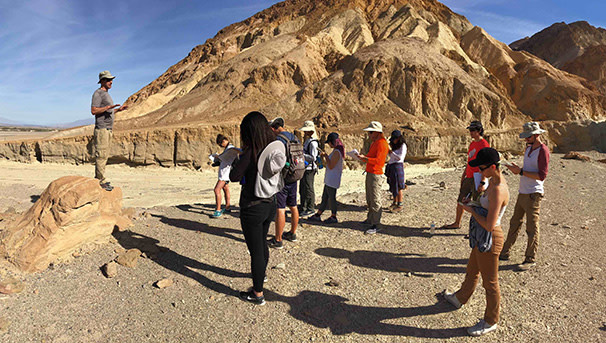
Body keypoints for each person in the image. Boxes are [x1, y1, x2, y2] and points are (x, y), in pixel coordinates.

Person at [444, 147, 509, 337]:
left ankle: (491, 321)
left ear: (493, 166)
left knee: (490, 283)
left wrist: (470, 210)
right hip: (482, 236)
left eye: (482, 168)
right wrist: (475, 201)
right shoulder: (492, 182)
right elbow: (485, 207)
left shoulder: (498, 189)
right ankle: (459, 298)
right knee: (472, 269)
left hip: (490, 237)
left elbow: (490, 224)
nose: (480, 171)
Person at [229, 111, 286, 305]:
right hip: (270, 203)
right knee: (262, 243)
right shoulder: (272, 148)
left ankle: (258, 293)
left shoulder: (251, 151)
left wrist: (236, 158)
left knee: (256, 250)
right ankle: (261, 277)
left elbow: (234, 176)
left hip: (252, 207)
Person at [499, 122, 550, 270]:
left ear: (536, 135)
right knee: (515, 222)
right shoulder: (528, 148)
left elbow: (542, 175)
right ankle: (504, 252)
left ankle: (530, 259)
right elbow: (528, 169)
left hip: (534, 194)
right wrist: (516, 168)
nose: (526, 139)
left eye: (528, 136)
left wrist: (520, 171)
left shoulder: (543, 150)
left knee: (532, 227)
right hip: (523, 192)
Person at [443, 121, 489, 229]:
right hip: (469, 176)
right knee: (461, 200)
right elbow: (469, 160)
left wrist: (482, 181)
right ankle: (457, 223)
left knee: (476, 203)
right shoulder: (472, 144)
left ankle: (477, 227)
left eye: (473, 130)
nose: (471, 133)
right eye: (470, 130)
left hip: (477, 177)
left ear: (479, 131)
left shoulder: (484, 145)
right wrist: (464, 174)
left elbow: (486, 164)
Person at [90, 70, 128, 191]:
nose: (111, 82)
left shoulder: (107, 94)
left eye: (111, 79)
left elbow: (107, 112)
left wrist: (118, 110)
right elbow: (94, 111)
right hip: (101, 129)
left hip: (108, 129)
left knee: (105, 155)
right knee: (101, 155)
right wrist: (107, 107)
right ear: (102, 81)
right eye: (108, 79)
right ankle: (100, 180)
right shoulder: (98, 93)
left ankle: (100, 177)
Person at [268, 117, 300, 247]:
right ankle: (292, 233)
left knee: (280, 208)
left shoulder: (279, 140)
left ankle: (278, 239)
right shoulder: (294, 137)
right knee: (293, 205)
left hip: (283, 178)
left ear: (274, 128)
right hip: (294, 175)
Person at [357, 121, 389, 235]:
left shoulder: (382, 143)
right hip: (371, 172)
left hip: (376, 173)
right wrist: (364, 158)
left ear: (376, 132)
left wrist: (365, 158)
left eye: (370, 133)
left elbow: (379, 161)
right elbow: (372, 157)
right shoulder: (375, 142)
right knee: (370, 197)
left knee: (375, 199)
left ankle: (377, 224)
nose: (369, 135)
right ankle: (370, 219)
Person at [308, 132, 344, 224]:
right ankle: (318, 214)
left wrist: (326, 156)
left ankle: (333, 216)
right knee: (325, 197)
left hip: (333, 179)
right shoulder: (337, 150)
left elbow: (331, 165)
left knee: (331, 198)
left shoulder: (337, 152)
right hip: (330, 178)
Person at [210, 134, 237, 218]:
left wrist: (219, 158)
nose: (221, 146)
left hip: (225, 174)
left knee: (217, 190)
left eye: (221, 144)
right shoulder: (228, 148)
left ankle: (218, 210)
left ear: (224, 141)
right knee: (226, 189)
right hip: (224, 173)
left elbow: (228, 160)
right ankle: (227, 207)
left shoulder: (230, 148)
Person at [299, 121, 320, 217]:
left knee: (308, 188)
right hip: (305, 168)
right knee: (303, 188)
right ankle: (303, 206)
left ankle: (310, 208)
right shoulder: (308, 141)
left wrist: (302, 155)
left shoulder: (313, 143)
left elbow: (313, 157)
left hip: (310, 169)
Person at [385, 130, 407, 213]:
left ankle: (400, 204)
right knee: (393, 185)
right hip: (392, 166)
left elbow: (399, 157)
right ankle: (394, 202)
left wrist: (391, 152)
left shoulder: (403, 146)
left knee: (398, 186)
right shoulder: (396, 146)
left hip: (398, 166)